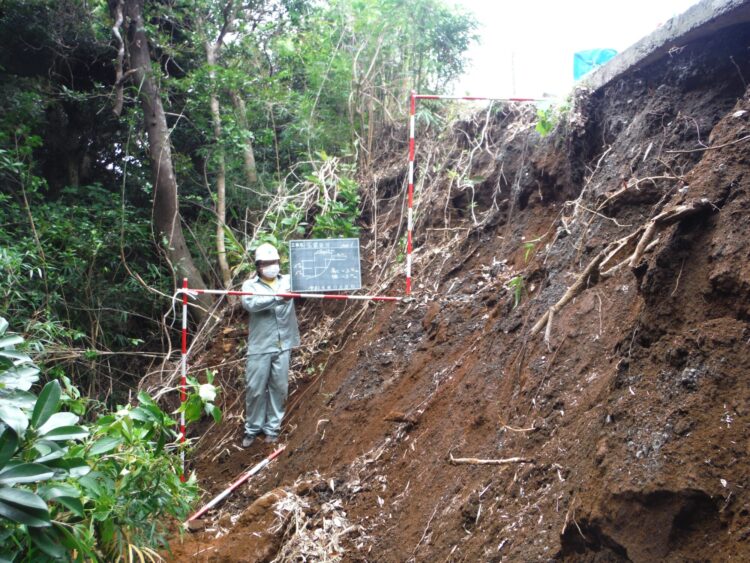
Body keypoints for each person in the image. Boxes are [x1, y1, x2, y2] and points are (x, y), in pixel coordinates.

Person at [240, 243, 300, 447]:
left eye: (274, 262)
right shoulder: (250, 285)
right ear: (258, 266)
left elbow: (314, 280)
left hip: (284, 343)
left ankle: (272, 428)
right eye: (266, 263)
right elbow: (250, 304)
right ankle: (252, 429)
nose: (271, 266)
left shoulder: (290, 281)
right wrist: (277, 297)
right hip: (260, 345)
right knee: (255, 388)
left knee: (279, 387)